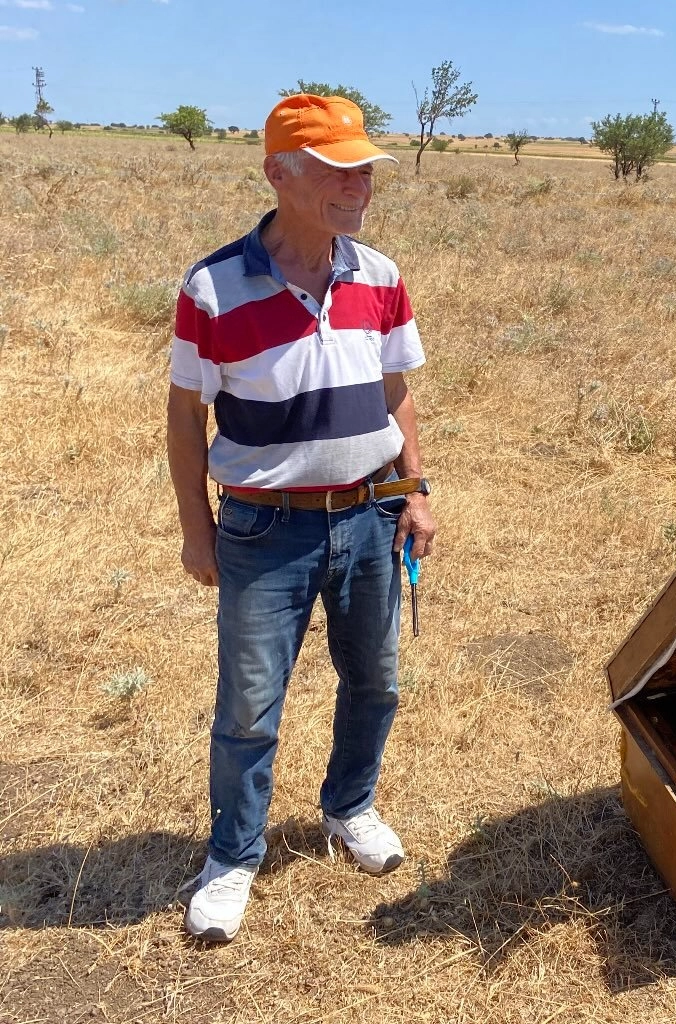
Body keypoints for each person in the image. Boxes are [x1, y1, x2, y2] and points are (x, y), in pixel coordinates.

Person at [166, 94, 438, 942]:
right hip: (263, 527)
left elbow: (397, 392)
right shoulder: (212, 287)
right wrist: (195, 530)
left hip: (368, 519)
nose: (359, 184)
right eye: (337, 168)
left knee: (378, 682)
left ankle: (349, 807)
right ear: (279, 173)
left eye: (366, 168)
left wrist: (416, 487)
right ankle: (233, 857)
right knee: (250, 706)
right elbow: (185, 419)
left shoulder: (382, 276)